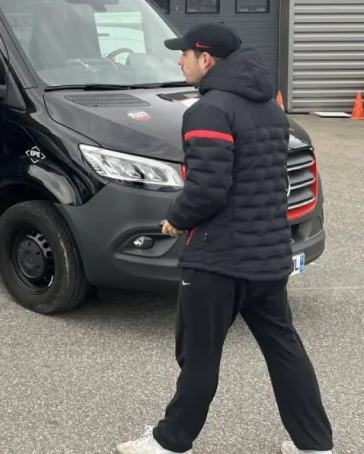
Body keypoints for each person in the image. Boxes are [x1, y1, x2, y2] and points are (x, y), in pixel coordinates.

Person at [116, 23, 334, 454]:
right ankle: (316, 445)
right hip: (269, 254)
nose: (179, 61)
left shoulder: (208, 110)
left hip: (217, 258)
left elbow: (208, 188)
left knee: (199, 357)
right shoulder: (271, 108)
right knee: (285, 351)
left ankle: (169, 442)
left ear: (206, 59)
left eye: (184, 54)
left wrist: (175, 220)